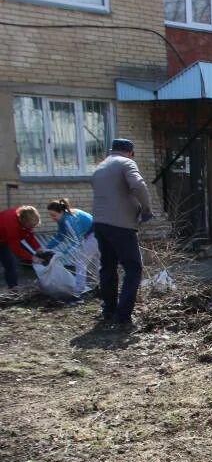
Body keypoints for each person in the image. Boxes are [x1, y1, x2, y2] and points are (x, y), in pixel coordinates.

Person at [92, 138, 152, 328]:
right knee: (133, 268)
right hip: (121, 225)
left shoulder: (100, 166)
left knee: (108, 267)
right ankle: (123, 316)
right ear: (130, 152)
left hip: (100, 223)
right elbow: (138, 185)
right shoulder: (126, 163)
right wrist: (146, 208)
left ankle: (109, 310)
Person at [43, 198, 96, 296]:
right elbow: (60, 236)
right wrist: (46, 248)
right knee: (92, 262)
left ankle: (78, 291)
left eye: (54, 215)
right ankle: (96, 288)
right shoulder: (63, 219)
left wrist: (62, 254)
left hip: (96, 234)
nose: (52, 218)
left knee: (80, 262)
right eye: (50, 215)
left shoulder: (69, 220)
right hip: (88, 235)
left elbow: (76, 242)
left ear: (61, 212)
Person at [0, 206, 42, 290]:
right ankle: (13, 288)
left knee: (11, 263)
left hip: (5, 239)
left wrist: (38, 248)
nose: (32, 227)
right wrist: (32, 257)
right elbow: (16, 248)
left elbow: (29, 235)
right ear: (23, 221)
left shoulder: (24, 215)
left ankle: (13, 288)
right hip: (3, 239)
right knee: (10, 262)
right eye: (30, 225)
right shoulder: (12, 225)